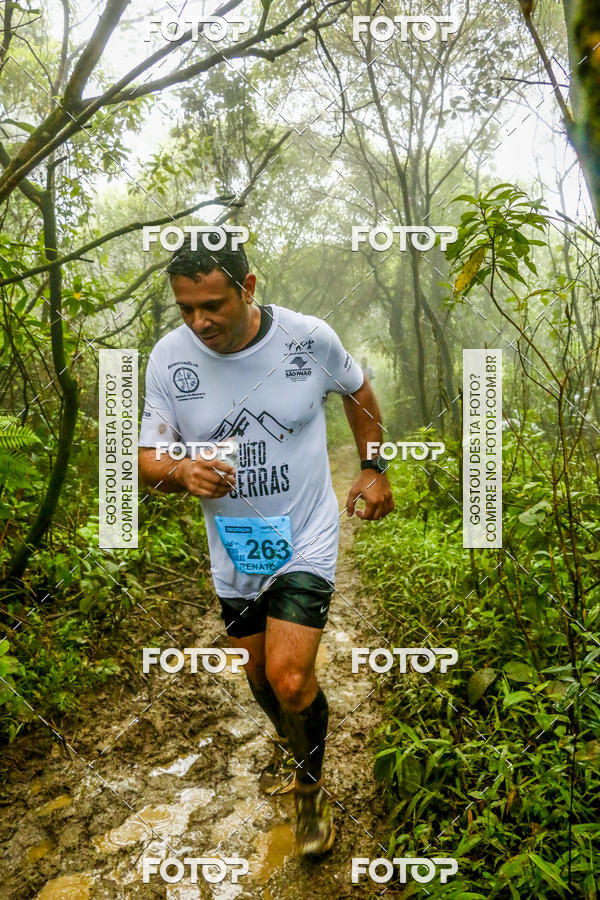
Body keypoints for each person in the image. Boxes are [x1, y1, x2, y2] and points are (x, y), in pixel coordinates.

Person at [138, 231, 394, 856]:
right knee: (257, 673)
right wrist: (181, 471)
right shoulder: (169, 359)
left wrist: (373, 466)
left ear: (247, 288)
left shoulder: (308, 338)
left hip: (305, 532)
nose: (199, 322)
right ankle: (296, 735)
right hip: (235, 546)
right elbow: (146, 457)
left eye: (213, 306)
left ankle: (309, 791)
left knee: (288, 674)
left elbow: (358, 391)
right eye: (186, 308)